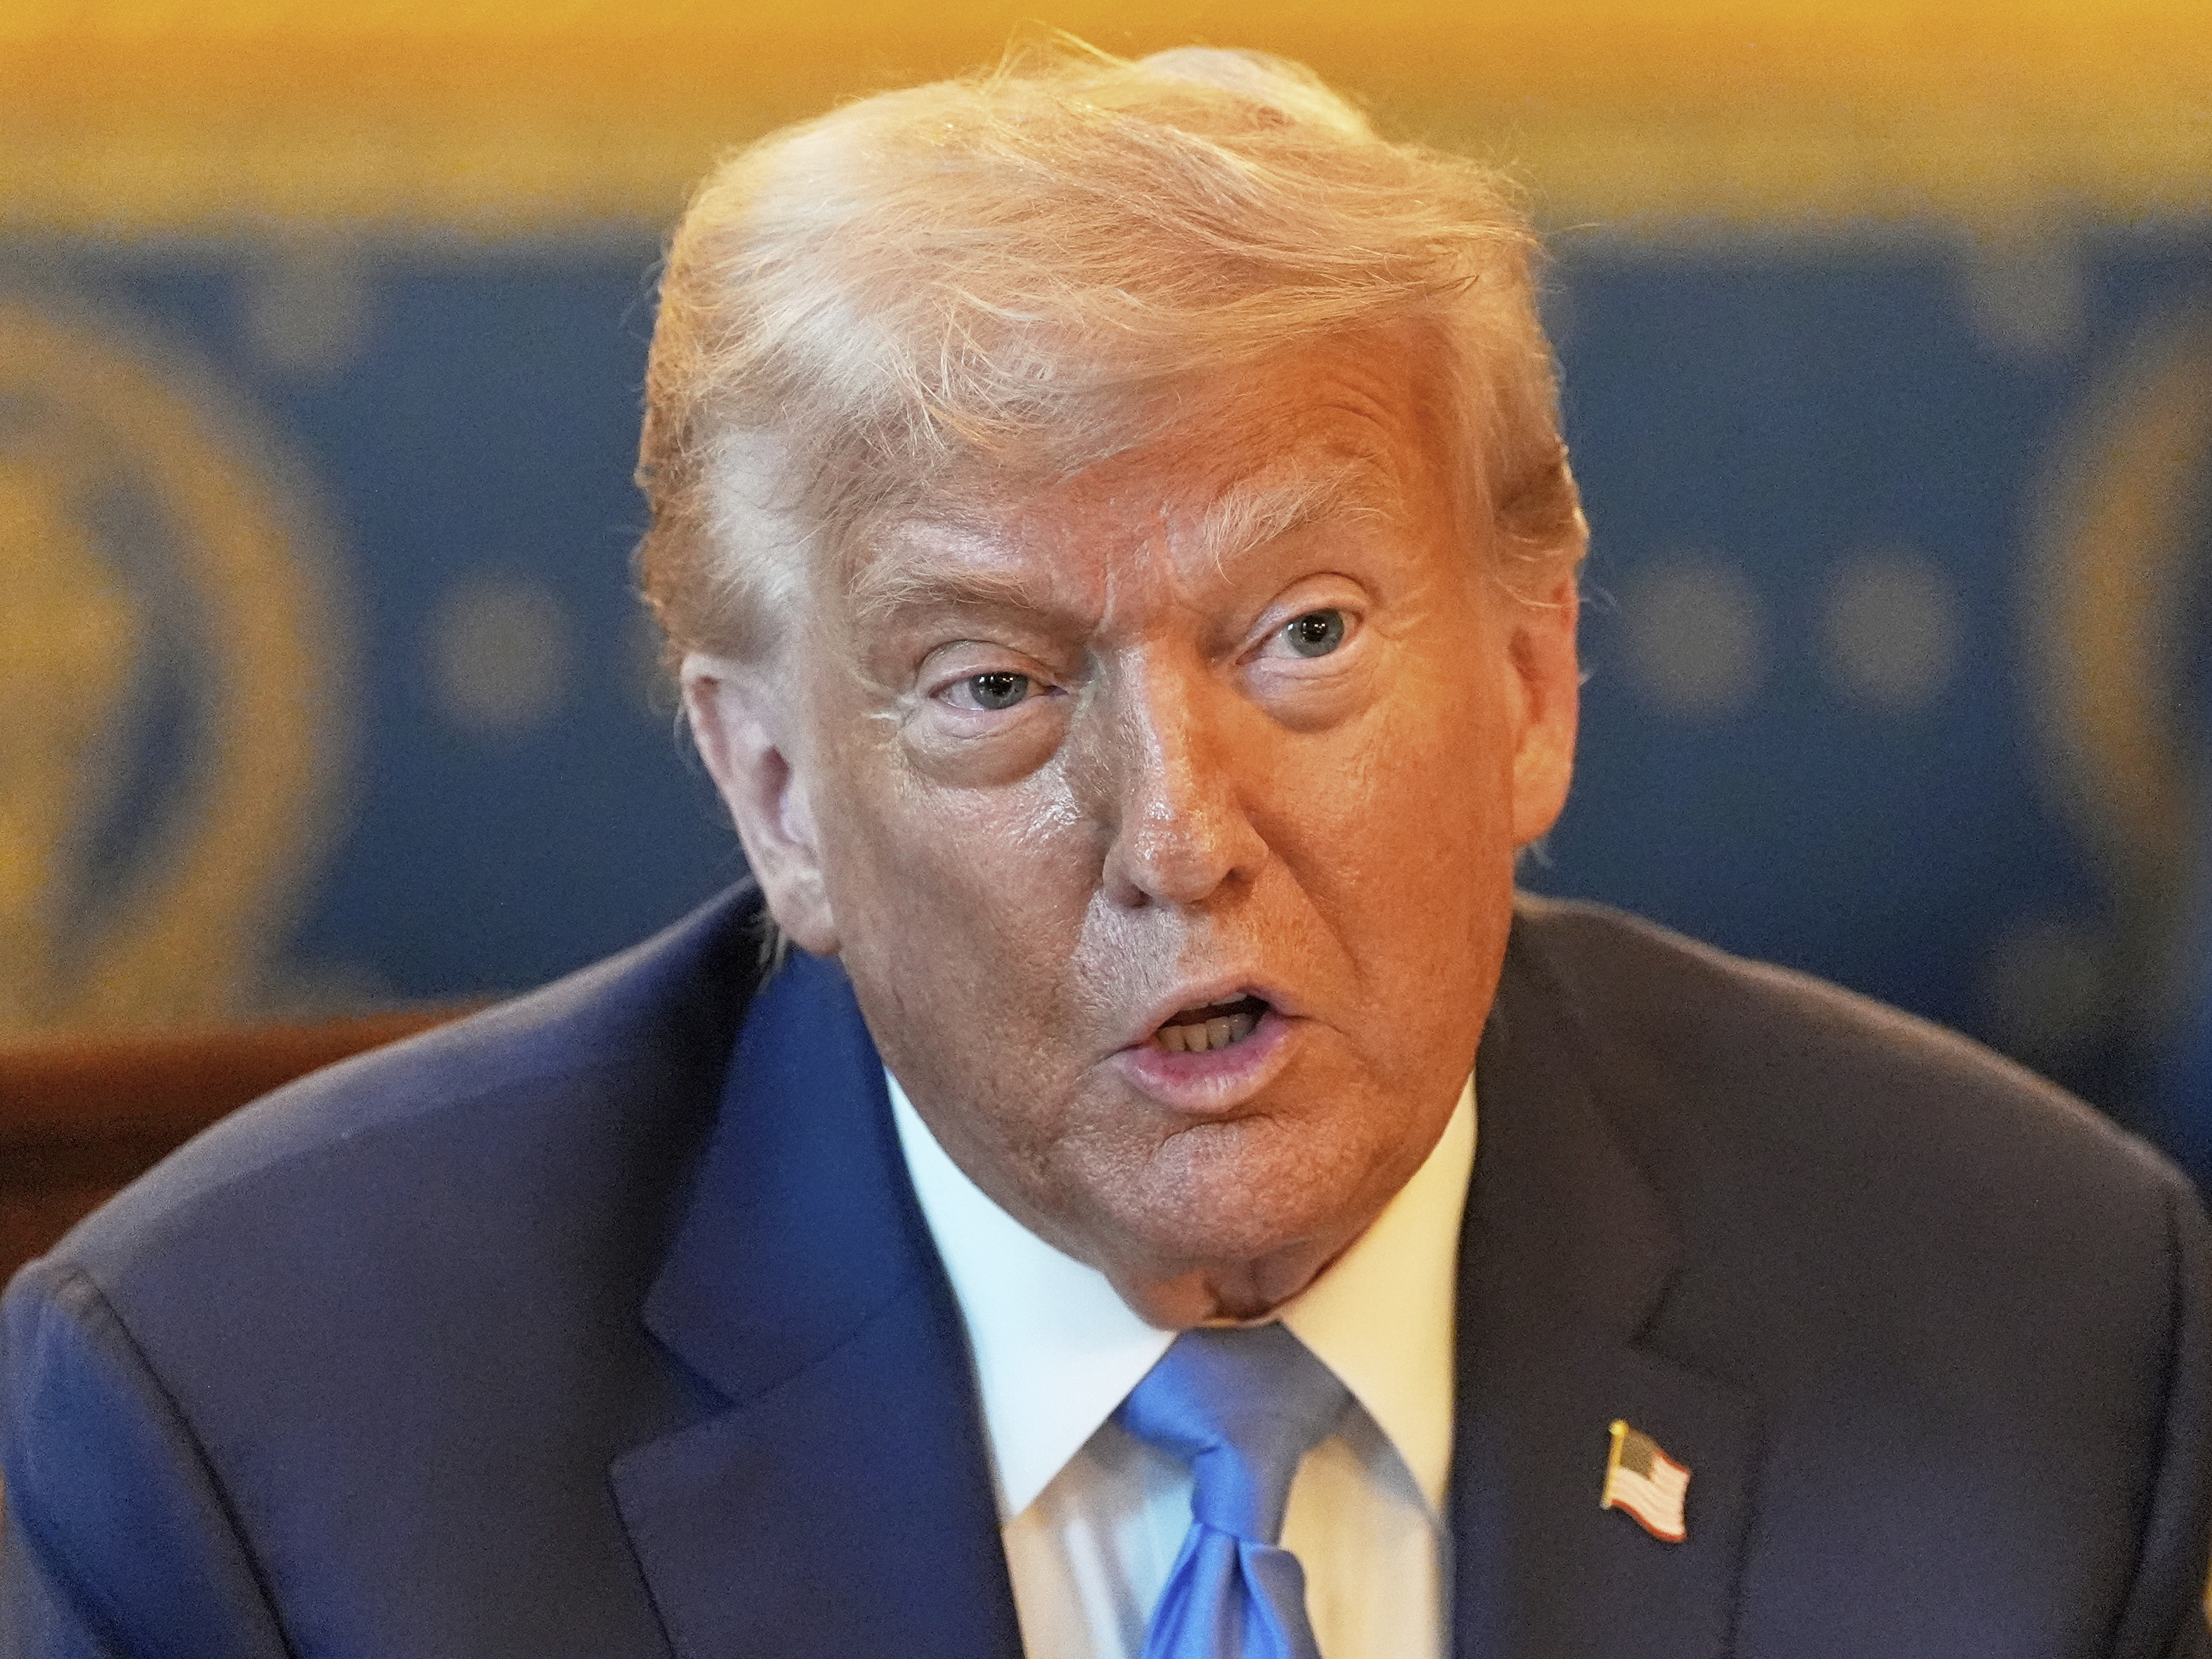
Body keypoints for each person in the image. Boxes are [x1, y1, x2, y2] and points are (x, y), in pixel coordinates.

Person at [4, 42, 2208, 1659]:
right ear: (780, 797)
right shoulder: (255, 1437)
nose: (1180, 837)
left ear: (1536, 678)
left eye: (1306, 637)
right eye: (993, 686)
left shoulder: (2040, 1319)